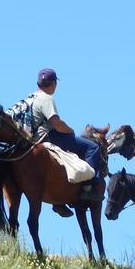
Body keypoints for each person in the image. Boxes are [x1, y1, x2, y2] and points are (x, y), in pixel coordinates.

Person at [24, 68, 102, 207]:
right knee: (93, 147)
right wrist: (70, 131)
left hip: (31, 139)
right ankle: (88, 187)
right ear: (53, 83)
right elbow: (56, 124)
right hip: (48, 137)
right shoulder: (46, 99)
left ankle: (59, 203)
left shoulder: (30, 98)